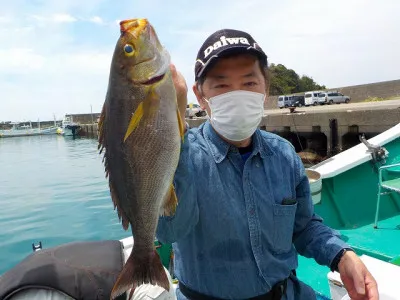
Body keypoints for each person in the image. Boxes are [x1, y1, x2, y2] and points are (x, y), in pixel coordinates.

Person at [155, 29, 379, 300]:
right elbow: (169, 230)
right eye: (222, 85)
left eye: (249, 84)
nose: (237, 95)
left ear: (265, 90)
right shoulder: (183, 155)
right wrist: (172, 124)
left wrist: (342, 256)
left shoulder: (283, 154)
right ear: (200, 96)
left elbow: (304, 225)